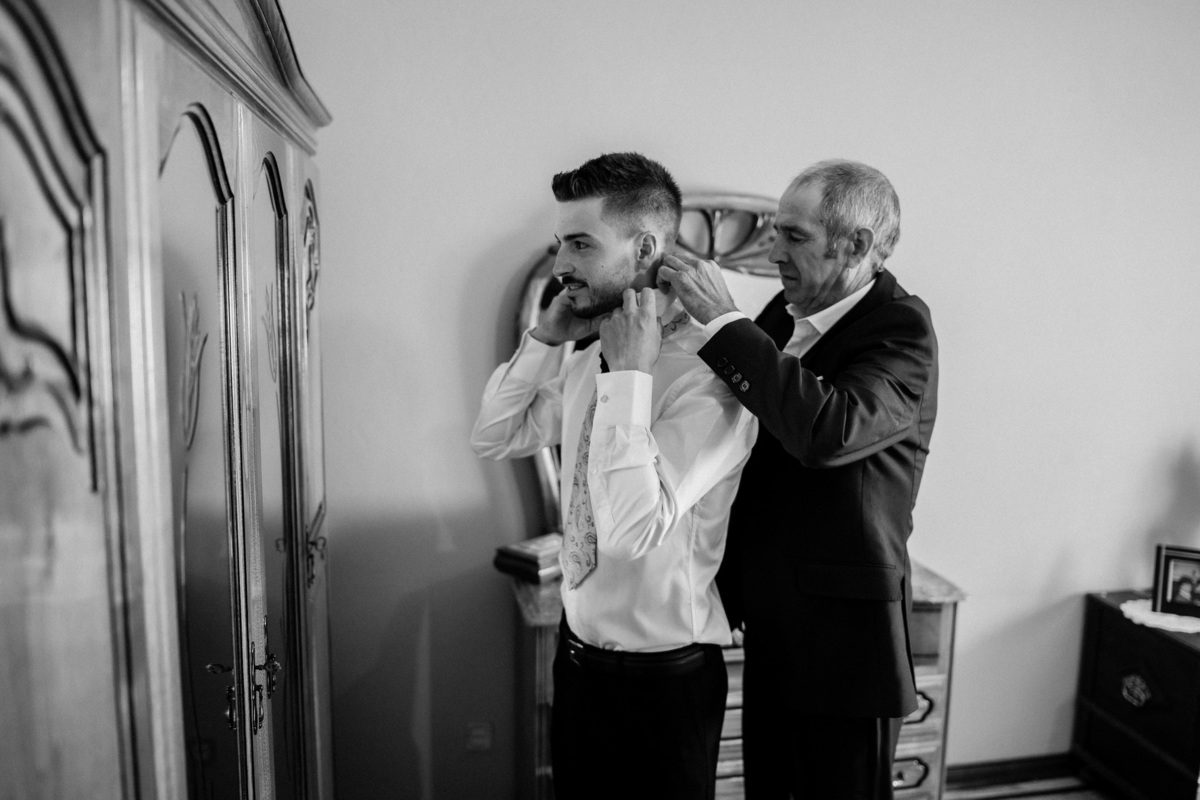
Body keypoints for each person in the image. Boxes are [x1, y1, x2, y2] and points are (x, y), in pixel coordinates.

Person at [470, 152, 757, 800]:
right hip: (576, 665)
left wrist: (630, 376)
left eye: (580, 243)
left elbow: (632, 530)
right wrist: (545, 340)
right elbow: (495, 434)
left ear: (645, 248)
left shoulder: (712, 380)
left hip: (666, 690)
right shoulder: (586, 358)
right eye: (559, 244)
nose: (560, 264)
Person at [658, 159, 939, 799]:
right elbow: (737, 407)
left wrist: (724, 320)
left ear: (857, 245)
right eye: (775, 231)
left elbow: (826, 432)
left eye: (793, 235)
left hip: (847, 647)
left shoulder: (902, 330)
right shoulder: (784, 314)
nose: (772, 251)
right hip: (774, 622)